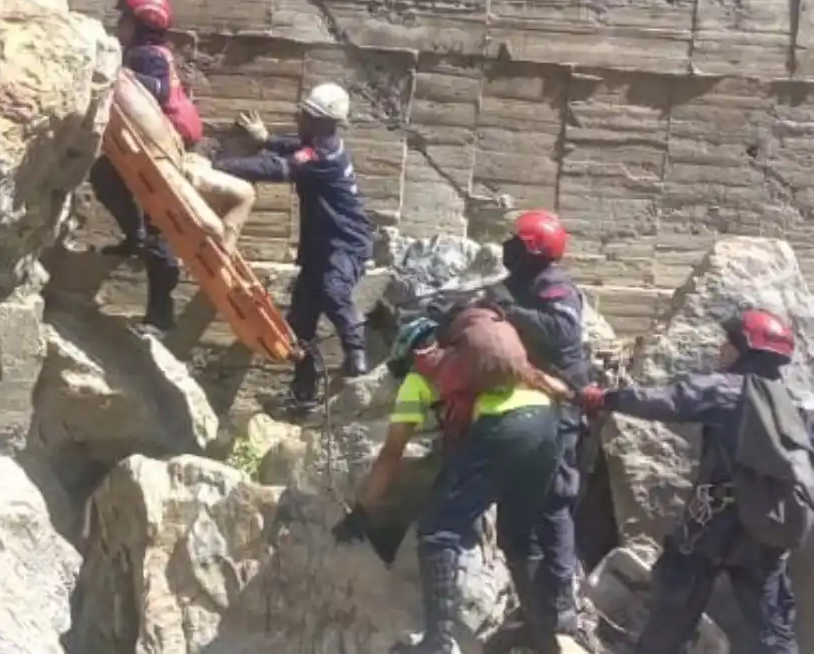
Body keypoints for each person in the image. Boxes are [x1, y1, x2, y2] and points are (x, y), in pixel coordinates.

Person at [334, 316, 567, 654]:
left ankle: (438, 642)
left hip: (503, 428)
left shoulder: (417, 379)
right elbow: (559, 389)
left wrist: (362, 511)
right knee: (521, 540)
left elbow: (391, 453)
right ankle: (543, 635)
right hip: (545, 426)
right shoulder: (492, 363)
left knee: (437, 530)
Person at [578, 308, 801, 654]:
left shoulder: (728, 389)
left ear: (745, 349)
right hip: (768, 524)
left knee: (673, 607)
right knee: (771, 627)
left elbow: (669, 400)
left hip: (713, 523)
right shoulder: (786, 401)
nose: (720, 350)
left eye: (728, 343)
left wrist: (608, 398)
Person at [212, 84, 374, 413]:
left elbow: (279, 168)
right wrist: (265, 138)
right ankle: (304, 392)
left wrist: (221, 166)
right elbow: (288, 147)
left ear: (321, 122)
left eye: (305, 114)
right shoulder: (321, 144)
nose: (298, 116)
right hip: (320, 246)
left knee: (333, 290)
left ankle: (357, 356)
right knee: (300, 321)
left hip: (346, 244)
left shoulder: (322, 157)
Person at [483, 210, 588, 638]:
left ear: (533, 252)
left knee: (554, 505)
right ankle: (533, 606)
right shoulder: (521, 284)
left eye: (517, 242)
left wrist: (514, 311)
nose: (509, 247)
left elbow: (562, 333)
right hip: (529, 401)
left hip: (559, 403)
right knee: (523, 510)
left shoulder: (556, 287)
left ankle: (560, 605)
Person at [89, 0, 202, 336]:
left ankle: (160, 317)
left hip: (166, 145)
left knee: (161, 226)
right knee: (105, 176)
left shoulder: (148, 55)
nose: (118, 24)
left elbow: (160, 91)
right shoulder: (142, 50)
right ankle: (133, 235)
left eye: (124, 19)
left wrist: (120, 75)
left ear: (140, 25)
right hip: (150, 142)